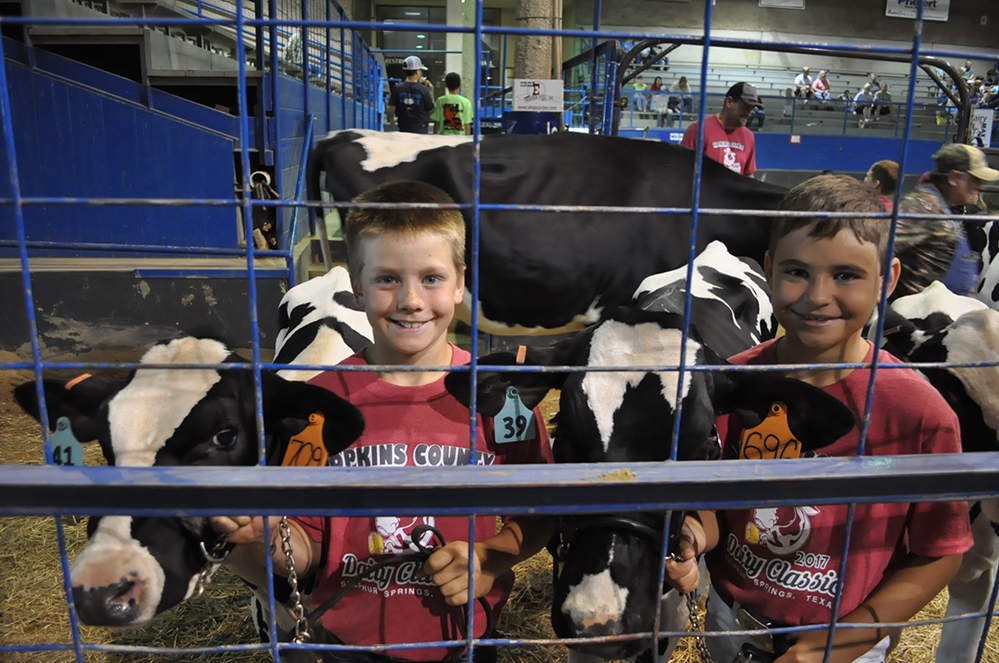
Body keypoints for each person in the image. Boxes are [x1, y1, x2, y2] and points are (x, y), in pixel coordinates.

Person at [213, 180, 554, 663]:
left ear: (461, 282)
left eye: (432, 278)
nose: (411, 300)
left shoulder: (503, 399)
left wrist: (488, 558)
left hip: (466, 642)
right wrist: (258, 540)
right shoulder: (317, 404)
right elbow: (303, 548)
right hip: (347, 647)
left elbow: (537, 512)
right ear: (357, 285)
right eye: (388, 279)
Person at [665, 174, 973, 663]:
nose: (817, 295)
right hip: (731, 625)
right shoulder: (728, 384)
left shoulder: (920, 411)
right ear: (768, 270)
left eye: (846, 275)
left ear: (887, 280)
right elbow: (712, 504)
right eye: (796, 271)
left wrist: (841, 644)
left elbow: (941, 550)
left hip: (848, 644)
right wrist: (693, 537)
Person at [895, 143, 999, 298]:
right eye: (976, 179)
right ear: (954, 177)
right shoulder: (923, 207)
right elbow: (880, 249)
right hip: (918, 315)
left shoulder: (947, 208)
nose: (981, 186)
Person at [680, 82, 762, 177]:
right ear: (729, 102)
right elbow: (682, 171)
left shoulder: (749, 137)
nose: (748, 114)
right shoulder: (699, 130)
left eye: (751, 110)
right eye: (745, 108)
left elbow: (749, 174)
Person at [386, 55, 435, 134]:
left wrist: (391, 121)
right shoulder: (424, 89)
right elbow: (431, 110)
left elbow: (391, 110)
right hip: (420, 128)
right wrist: (431, 92)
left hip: (404, 128)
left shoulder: (397, 88)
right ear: (417, 71)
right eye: (420, 70)